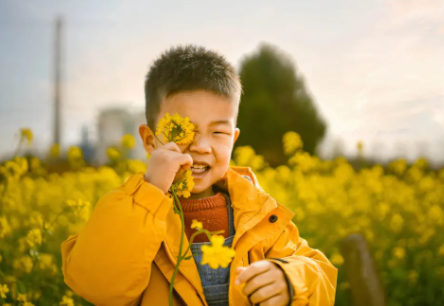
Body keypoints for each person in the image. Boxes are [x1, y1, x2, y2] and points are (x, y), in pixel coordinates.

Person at [61, 44, 337, 306]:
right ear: (149, 140)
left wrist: (291, 279)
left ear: (233, 140)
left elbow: (321, 274)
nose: (201, 146)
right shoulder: (128, 208)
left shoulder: (259, 213)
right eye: (181, 131)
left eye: (218, 132)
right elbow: (99, 286)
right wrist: (151, 192)